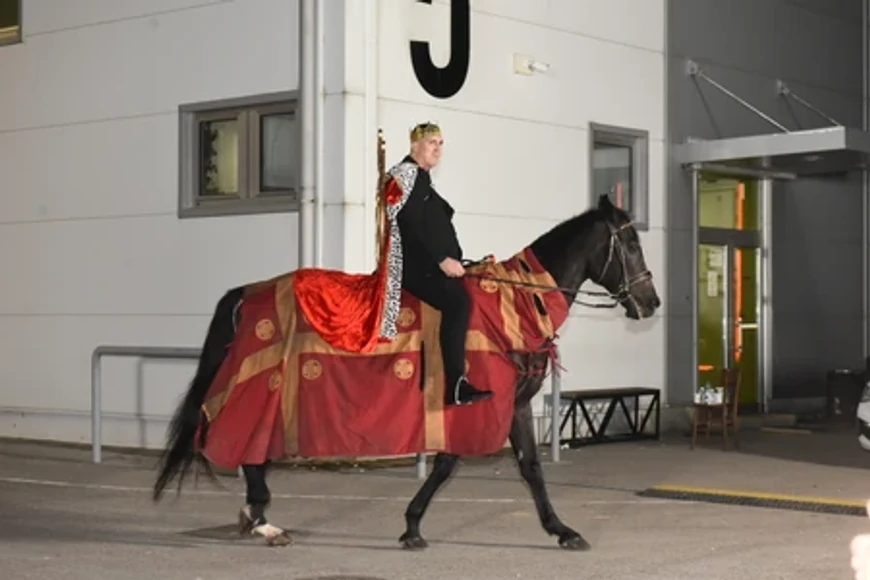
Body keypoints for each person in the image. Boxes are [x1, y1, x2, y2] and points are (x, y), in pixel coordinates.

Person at [382, 122, 493, 406]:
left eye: (441, 143)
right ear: (415, 145)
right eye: (432, 142)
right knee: (457, 304)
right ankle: (456, 384)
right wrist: (441, 259)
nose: (438, 149)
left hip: (433, 264)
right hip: (416, 268)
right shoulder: (408, 175)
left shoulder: (421, 178)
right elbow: (409, 224)